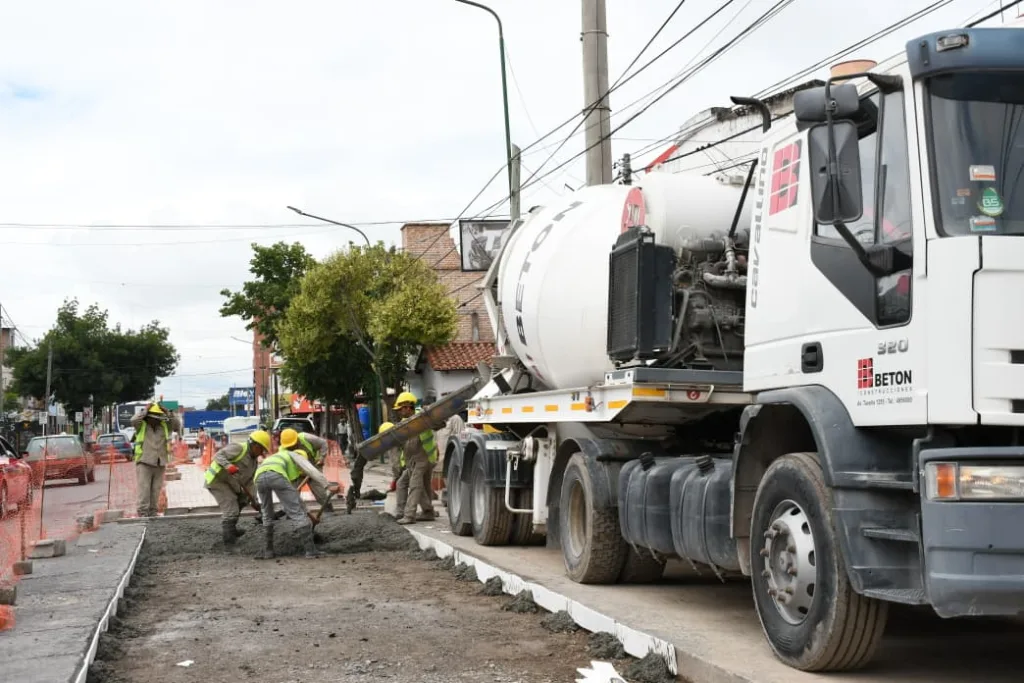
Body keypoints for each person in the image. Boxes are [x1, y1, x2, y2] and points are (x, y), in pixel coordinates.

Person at [253, 428, 340, 560]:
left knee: (266, 513)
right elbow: (311, 470)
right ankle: (311, 551)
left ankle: (268, 551)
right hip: (275, 475)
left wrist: (310, 515)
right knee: (297, 514)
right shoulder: (296, 455)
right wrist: (327, 485)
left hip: (259, 476)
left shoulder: (278, 456)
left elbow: (295, 497)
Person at [203, 429, 272, 546]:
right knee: (231, 508)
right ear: (255, 445)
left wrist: (254, 501)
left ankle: (232, 529)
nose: (261, 453)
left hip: (230, 483)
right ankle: (229, 542)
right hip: (217, 480)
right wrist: (228, 465)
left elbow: (250, 483)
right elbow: (217, 456)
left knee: (243, 500)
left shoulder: (254, 462)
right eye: (261, 449)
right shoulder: (239, 448)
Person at [392, 392, 444, 525]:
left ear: (408, 407)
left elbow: (440, 424)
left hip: (423, 457)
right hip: (412, 460)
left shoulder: (422, 417)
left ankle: (409, 515)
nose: (399, 412)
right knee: (406, 484)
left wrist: (430, 415)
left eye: (400, 409)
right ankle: (426, 512)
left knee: (415, 485)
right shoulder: (405, 422)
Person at [129, 402, 181, 518]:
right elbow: (133, 420)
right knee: (144, 489)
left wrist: (168, 412)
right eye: (154, 417)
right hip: (144, 462)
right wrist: (145, 410)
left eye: (158, 417)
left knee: (156, 489)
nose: (156, 420)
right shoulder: (141, 426)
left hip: (160, 462)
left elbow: (177, 425)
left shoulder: (164, 426)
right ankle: (143, 513)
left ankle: (153, 512)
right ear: (149, 417)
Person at [292, 428, 334, 512]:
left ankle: (328, 508)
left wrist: (322, 458)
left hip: (313, 466)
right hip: (297, 471)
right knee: (293, 492)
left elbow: (323, 443)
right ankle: (292, 512)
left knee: (320, 493)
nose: (292, 447)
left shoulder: (307, 438)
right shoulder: (284, 447)